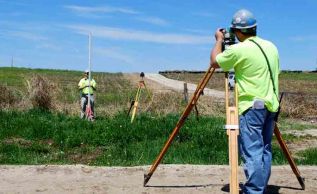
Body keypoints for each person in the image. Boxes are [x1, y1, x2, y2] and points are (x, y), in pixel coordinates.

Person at [210, 9, 280, 194]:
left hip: (251, 107)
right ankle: (260, 187)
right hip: (271, 105)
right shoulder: (271, 46)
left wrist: (219, 40)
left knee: (253, 151)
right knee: (264, 149)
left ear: (238, 31)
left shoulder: (239, 49)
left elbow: (215, 62)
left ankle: (254, 191)